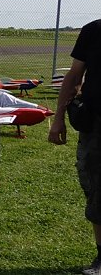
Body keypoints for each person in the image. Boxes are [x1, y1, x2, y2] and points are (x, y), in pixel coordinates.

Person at [48, 19, 101, 275]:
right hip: (96, 127)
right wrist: (58, 118)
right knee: (96, 189)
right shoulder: (93, 31)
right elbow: (74, 76)